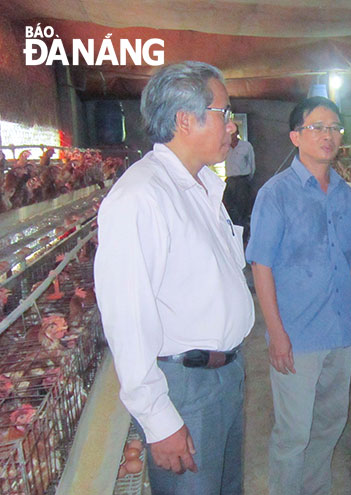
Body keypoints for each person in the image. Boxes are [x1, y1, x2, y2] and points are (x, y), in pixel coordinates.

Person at [94, 61, 254, 495]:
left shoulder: (202, 186)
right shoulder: (140, 197)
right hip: (185, 387)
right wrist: (158, 418)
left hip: (226, 373)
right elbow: (126, 317)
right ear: (186, 120)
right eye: (224, 112)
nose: (231, 125)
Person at [246, 96, 351, 495]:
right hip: (298, 335)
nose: (328, 135)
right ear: (296, 136)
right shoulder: (276, 194)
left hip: (340, 333)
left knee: (328, 426)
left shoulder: (344, 193)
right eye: (318, 127)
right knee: (293, 435)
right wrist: (276, 334)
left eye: (335, 127)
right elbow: (261, 266)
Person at [223, 129, 255, 227]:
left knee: (242, 208)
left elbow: (252, 164)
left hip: (242, 180)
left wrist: (248, 180)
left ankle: (244, 234)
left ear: (237, 134)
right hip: (230, 180)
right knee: (228, 207)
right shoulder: (224, 146)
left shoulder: (246, 146)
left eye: (233, 133)